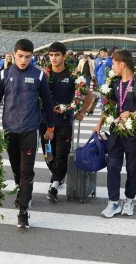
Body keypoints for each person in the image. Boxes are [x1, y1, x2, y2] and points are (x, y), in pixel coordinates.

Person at [0, 39, 55, 229]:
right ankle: (22, 191)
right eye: (20, 56)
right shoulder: (3, 75)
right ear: (14, 54)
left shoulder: (39, 75)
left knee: (27, 171)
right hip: (9, 130)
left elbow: (48, 103)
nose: (23, 60)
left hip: (29, 130)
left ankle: (23, 212)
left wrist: (50, 127)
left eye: (27, 57)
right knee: (17, 169)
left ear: (32, 56)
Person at [92, 50, 136, 218]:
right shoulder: (115, 84)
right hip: (116, 133)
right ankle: (113, 202)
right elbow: (110, 106)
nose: (111, 67)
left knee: (133, 169)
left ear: (122, 64)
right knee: (112, 167)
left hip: (135, 135)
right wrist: (98, 124)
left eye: (113, 64)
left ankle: (129, 200)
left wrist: (133, 114)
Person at [39, 42, 94, 202]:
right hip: (46, 121)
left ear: (64, 56)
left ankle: (54, 185)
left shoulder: (73, 75)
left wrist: (81, 112)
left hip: (64, 121)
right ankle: (57, 175)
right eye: (51, 55)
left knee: (62, 154)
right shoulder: (44, 75)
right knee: (48, 154)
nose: (54, 58)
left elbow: (89, 95)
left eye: (57, 55)